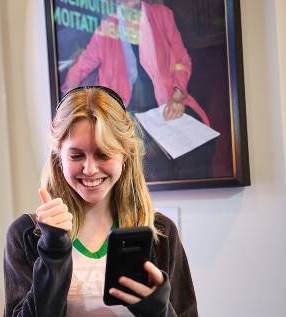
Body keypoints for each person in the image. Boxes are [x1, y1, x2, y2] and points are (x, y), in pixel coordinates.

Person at [3, 86, 199, 317]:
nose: (90, 169)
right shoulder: (29, 235)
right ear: (58, 155)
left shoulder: (158, 234)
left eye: (103, 153)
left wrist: (155, 311)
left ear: (125, 153)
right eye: (76, 155)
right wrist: (53, 251)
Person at [60, 0, 214, 181]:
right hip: (127, 110)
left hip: (165, 100)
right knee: (151, 163)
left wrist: (177, 96)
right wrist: (66, 101)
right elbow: (82, 66)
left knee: (200, 146)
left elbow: (181, 59)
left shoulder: (162, 15)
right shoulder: (108, 27)